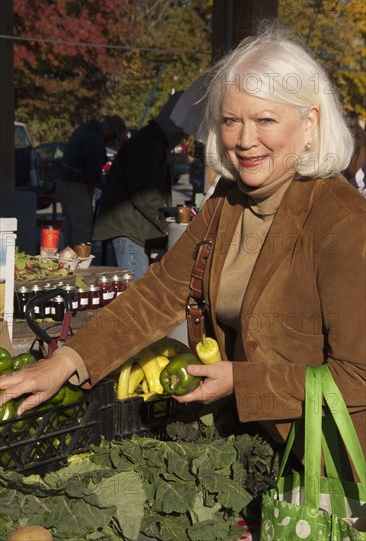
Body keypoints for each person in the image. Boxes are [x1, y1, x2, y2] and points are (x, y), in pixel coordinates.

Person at [1, 24, 365, 482]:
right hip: (258, 445)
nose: (245, 140)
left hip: (331, 466)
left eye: (266, 120)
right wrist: (66, 361)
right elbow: (158, 295)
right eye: (232, 120)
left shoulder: (344, 222)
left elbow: (359, 375)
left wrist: (241, 380)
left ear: (309, 123)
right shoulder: (227, 201)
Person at [92, 93, 187, 278]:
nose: (183, 138)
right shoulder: (147, 145)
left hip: (133, 225)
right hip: (129, 228)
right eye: (182, 134)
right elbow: (145, 196)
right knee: (134, 292)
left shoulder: (153, 141)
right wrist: (166, 224)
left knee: (136, 287)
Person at [56, 114, 126, 248]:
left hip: (69, 183)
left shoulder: (87, 130)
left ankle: (68, 257)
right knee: (82, 226)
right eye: (113, 136)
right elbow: (93, 170)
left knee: (72, 225)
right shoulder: (93, 138)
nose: (110, 140)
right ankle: (79, 260)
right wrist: (104, 186)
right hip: (75, 185)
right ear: (109, 129)